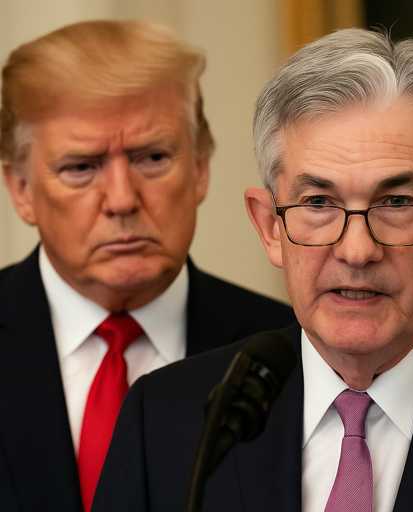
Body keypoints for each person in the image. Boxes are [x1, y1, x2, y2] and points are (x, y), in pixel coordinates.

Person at [93, 28, 413, 512]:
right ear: (269, 226)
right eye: (318, 203)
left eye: (396, 202)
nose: (357, 251)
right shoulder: (168, 421)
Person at [0, 20, 294, 512]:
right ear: (21, 190)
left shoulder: (289, 351)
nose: (122, 199)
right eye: (81, 167)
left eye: (153, 157)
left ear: (200, 167)